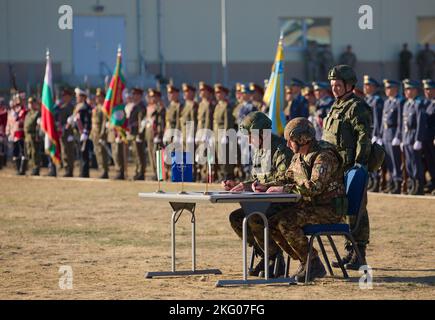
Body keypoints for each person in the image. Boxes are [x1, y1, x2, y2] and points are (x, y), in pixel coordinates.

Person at [259, 117, 346, 282]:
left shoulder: (324, 156)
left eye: (290, 141)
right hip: (310, 207)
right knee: (270, 222)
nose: (287, 145)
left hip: (329, 210)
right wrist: (265, 186)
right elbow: (287, 178)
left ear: (301, 139)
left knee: (286, 222)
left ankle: (312, 263)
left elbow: (315, 187)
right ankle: (306, 260)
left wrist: (284, 189)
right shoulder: (298, 156)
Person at [225, 111, 293, 277]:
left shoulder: (281, 150)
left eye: (251, 136)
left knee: (255, 217)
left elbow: (284, 181)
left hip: (283, 204)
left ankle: (275, 258)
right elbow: (256, 179)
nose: (249, 141)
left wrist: (262, 186)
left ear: (262, 133)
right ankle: (264, 254)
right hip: (265, 203)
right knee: (237, 218)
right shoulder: (260, 150)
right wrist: (240, 185)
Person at [323, 64, 372, 270]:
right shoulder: (335, 105)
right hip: (336, 168)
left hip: (351, 167)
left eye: (338, 85)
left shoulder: (357, 107)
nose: (334, 88)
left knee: (357, 210)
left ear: (349, 85)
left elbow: (363, 137)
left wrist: (359, 165)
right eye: (333, 85)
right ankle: (350, 252)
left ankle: (359, 253)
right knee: (343, 210)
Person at [401, 79, 426, 195]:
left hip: (413, 137)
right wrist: (402, 139)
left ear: (415, 90)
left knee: (416, 163)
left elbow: (421, 123)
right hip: (406, 137)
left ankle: (418, 185)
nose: (407, 92)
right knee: (409, 163)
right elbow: (403, 123)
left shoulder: (418, 104)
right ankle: (412, 183)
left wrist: (418, 139)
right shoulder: (406, 104)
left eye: (409, 89)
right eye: (406, 89)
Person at [380, 80, 405, 194]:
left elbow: (400, 121)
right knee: (389, 161)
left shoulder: (399, 102)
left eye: (389, 88)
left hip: (394, 132)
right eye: (386, 88)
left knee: (396, 161)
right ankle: (392, 182)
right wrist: (380, 135)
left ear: (395, 88)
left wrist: (398, 136)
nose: (386, 90)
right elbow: (382, 121)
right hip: (386, 133)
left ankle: (398, 183)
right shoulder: (387, 102)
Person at [363, 75, 384, 192]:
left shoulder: (377, 100)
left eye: (368, 85)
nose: (366, 87)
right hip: (366, 133)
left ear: (374, 87)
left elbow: (377, 119)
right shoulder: (367, 100)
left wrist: (377, 134)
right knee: (367, 158)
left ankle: (377, 182)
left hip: (373, 134)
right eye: (365, 85)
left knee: (375, 158)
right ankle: (371, 181)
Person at [213, 83, 235, 181]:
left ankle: (227, 174)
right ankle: (221, 174)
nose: (217, 95)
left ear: (224, 94)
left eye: (219, 93)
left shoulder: (226, 106)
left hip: (223, 134)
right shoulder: (218, 106)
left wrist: (226, 135)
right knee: (219, 155)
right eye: (216, 93)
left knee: (225, 156)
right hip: (217, 134)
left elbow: (227, 121)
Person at [144, 88, 166, 180]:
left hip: (157, 133)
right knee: (150, 153)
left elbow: (162, 122)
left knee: (157, 154)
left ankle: (160, 173)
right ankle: (154, 172)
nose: (152, 98)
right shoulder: (149, 107)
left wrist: (160, 133)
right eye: (151, 96)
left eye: (154, 97)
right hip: (149, 133)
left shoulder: (160, 108)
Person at [196, 81, 215, 182]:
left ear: (208, 92)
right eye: (200, 90)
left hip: (205, 133)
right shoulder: (201, 104)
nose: (201, 92)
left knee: (206, 154)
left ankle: (206, 174)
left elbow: (208, 120)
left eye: (203, 90)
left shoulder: (207, 105)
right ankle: (202, 173)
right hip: (200, 132)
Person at [127, 87, 147, 181]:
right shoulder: (134, 106)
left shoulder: (141, 107)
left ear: (139, 96)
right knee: (135, 153)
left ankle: (141, 172)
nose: (134, 96)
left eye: (135, 94)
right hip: (133, 133)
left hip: (138, 134)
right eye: (133, 94)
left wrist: (140, 133)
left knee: (140, 154)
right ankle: (137, 171)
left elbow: (141, 121)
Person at [90, 88, 110, 179]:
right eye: (97, 97)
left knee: (102, 153)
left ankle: (104, 171)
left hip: (100, 134)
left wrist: (102, 134)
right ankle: (101, 169)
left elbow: (104, 122)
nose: (97, 98)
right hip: (94, 133)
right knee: (97, 152)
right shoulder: (96, 108)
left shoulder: (103, 108)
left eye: (99, 97)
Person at [73, 88, 92, 178]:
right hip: (78, 133)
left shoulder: (86, 107)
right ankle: (81, 171)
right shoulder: (78, 107)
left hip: (84, 133)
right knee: (80, 153)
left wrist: (85, 131)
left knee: (84, 154)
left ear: (83, 97)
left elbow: (87, 120)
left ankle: (85, 173)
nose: (76, 98)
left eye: (78, 96)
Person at [57, 88, 76, 177]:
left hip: (69, 133)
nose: (64, 98)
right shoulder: (61, 107)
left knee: (70, 152)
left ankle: (70, 170)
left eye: (66, 96)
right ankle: (66, 168)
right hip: (62, 132)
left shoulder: (72, 107)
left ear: (69, 97)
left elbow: (73, 120)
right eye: (63, 96)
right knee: (64, 151)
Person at [422, 79, 435, 194]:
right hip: (426, 138)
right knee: (429, 161)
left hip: (433, 138)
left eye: (429, 89)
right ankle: (432, 182)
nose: (427, 91)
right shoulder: (425, 103)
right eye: (426, 89)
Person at [23, 97, 42, 176]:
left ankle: (36, 168)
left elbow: (38, 126)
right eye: (29, 103)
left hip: (34, 135)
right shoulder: (28, 113)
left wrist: (38, 135)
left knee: (35, 152)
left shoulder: (37, 113)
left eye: (32, 103)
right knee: (29, 152)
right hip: (27, 136)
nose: (30, 105)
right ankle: (32, 167)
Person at [0, 97, 7, 169]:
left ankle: (1, 165)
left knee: (2, 150)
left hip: (2, 133)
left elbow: (3, 114)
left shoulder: (4, 111)